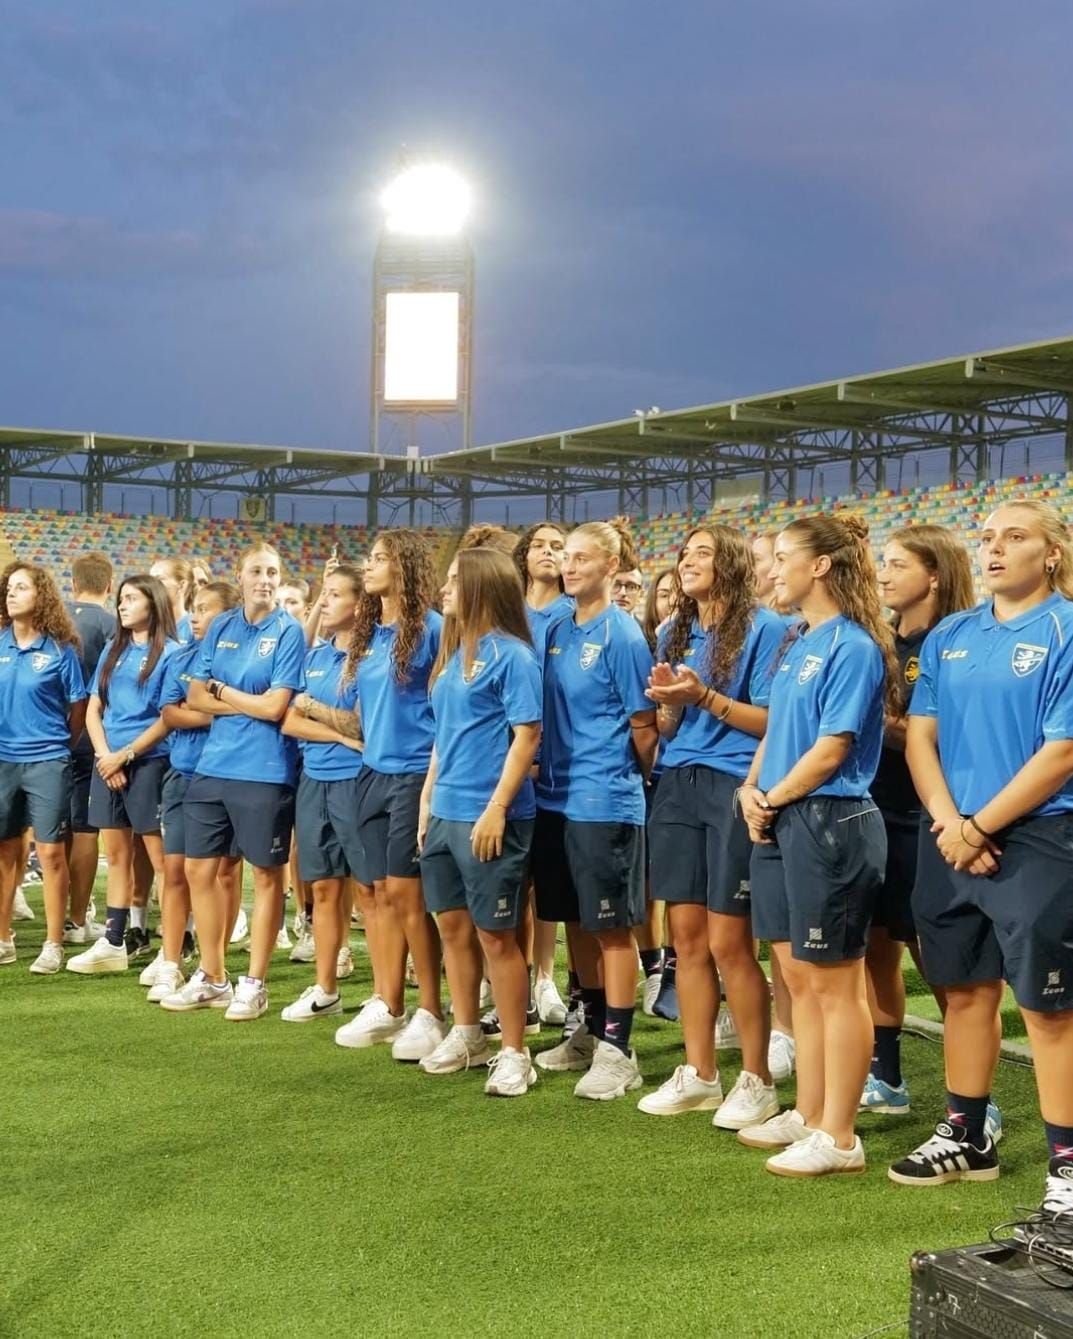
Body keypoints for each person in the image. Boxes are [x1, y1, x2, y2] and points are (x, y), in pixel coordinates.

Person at [889, 500, 1073, 1220]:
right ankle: (966, 1134)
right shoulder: (952, 634)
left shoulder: (1065, 628)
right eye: (988, 537)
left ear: (1051, 552)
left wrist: (979, 825)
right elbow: (919, 736)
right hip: (950, 835)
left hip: (1038, 837)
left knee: (1048, 1008)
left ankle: (1066, 1167)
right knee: (963, 988)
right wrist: (950, 822)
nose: (994, 548)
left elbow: (1062, 751)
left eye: (1015, 537)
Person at [739, 514, 894, 1177]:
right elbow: (779, 733)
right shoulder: (800, 640)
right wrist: (751, 790)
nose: (771, 569)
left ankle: (840, 1134)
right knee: (800, 979)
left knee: (835, 985)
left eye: (782, 557)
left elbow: (832, 749)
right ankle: (808, 1112)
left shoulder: (852, 646)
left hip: (828, 820)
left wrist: (772, 797)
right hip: (783, 815)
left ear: (821, 565)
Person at [640, 528, 786, 1125]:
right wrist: (669, 706)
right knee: (686, 939)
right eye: (685, 553)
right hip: (678, 782)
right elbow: (671, 727)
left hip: (733, 784)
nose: (688, 561)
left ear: (730, 563)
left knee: (730, 942)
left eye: (703, 552)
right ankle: (700, 1073)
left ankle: (757, 1079)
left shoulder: (766, 629)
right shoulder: (670, 631)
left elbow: (774, 721)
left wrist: (703, 698)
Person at [532, 518, 659, 1100]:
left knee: (611, 928)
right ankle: (589, 1028)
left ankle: (619, 1049)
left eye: (582, 557)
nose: (569, 565)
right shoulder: (558, 626)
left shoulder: (623, 635)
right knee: (576, 921)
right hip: (553, 797)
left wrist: (626, 780)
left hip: (603, 798)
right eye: (567, 556)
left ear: (611, 567)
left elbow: (643, 725)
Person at [417, 548, 543, 1094]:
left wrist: (497, 807)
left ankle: (515, 1052)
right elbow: (443, 738)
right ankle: (467, 1032)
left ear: (481, 587)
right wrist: (427, 802)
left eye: (454, 580)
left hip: (490, 815)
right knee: (451, 927)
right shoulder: (453, 653)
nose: (445, 589)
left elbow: (528, 735)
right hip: (445, 812)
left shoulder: (513, 656)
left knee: (496, 936)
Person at [162, 543, 305, 1019]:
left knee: (265, 876)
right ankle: (213, 976)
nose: (265, 580)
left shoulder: (288, 631)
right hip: (213, 766)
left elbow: (276, 708)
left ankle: (255, 983)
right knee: (198, 870)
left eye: (273, 572)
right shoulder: (222, 625)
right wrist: (246, 701)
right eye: (257, 572)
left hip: (265, 770)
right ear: (239, 577)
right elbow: (195, 696)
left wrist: (223, 691)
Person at [862, 526, 975, 1114]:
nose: (883, 574)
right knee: (876, 947)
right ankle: (887, 1076)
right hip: (873, 809)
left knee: (940, 959)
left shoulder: (956, 643)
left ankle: (973, 1091)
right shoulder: (879, 641)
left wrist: (879, 723)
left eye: (897, 564)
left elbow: (944, 736)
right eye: (882, 562)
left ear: (934, 575)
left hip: (928, 818)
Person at [333, 529, 446, 1058]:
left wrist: (432, 781)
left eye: (380, 558)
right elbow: (361, 710)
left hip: (414, 774)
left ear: (405, 567)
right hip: (371, 771)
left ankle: (432, 1011)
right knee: (374, 893)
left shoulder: (433, 630)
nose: (369, 565)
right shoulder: (370, 633)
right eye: (370, 557)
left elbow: (447, 707)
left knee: (406, 894)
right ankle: (388, 1001)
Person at [66, 576, 178, 974]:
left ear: (153, 603)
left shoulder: (172, 653)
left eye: (131, 598)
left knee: (161, 861)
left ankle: (173, 949)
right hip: (108, 761)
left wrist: (126, 755)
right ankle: (114, 940)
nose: (122, 605)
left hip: (150, 762)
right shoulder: (115, 649)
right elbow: (94, 707)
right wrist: (105, 757)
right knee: (116, 856)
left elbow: (168, 717)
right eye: (121, 599)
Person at [279, 563, 369, 1021]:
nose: (324, 602)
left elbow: (362, 725)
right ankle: (326, 988)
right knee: (325, 888)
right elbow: (289, 721)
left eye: (335, 594)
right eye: (323, 593)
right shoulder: (314, 657)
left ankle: (386, 995)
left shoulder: (371, 657)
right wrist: (334, 732)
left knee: (372, 893)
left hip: (359, 780)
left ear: (360, 604)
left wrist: (313, 708)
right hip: (315, 779)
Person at [148, 581, 243, 1003]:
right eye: (195, 608)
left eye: (206, 609)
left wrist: (202, 706)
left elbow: (260, 708)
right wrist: (228, 710)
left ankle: (213, 965)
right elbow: (170, 713)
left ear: (230, 616)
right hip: (183, 774)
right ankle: (170, 962)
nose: (195, 617)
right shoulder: (181, 656)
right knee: (176, 870)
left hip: (229, 775)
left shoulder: (241, 661)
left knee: (225, 872)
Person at [0, 563, 87, 973]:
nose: (11, 593)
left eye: (21, 587)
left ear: (42, 597)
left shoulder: (60, 651)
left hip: (48, 760)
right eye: (9, 587)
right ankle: (3, 938)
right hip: (3, 761)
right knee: (5, 850)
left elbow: (78, 707)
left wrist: (57, 748)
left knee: (51, 852)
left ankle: (54, 943)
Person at [513, 521, 572, 1026]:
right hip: (508, 754)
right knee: (514, 879)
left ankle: (545, 977)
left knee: (545, 883)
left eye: (558, 546)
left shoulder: (572, 613)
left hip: (553, 757)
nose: (549, 552)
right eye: (540, 545)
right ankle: (512, 982)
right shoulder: (508, 610)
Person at [64, 552, 116, 944]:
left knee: (53, 826)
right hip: (89, 734)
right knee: (85, 827)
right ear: (110, 586)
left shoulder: (52, 618)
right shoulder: (113, 624)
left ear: (73, 583)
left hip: (45, 735)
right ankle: (76, 920)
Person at [638, 564, 678, 1017]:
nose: (671, 601)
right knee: (648, 883)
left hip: (675, 773)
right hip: (651, 776)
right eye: (664, 594)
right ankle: (654, 968)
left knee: (677, 886)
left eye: (677, 594)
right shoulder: (645, 647)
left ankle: (674, 968)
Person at [150, 558, 194, 643]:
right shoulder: (145, 627)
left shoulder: (194, 627)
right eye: (150, 580)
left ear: (182, 585)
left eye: (160, 579)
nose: (151, 585)